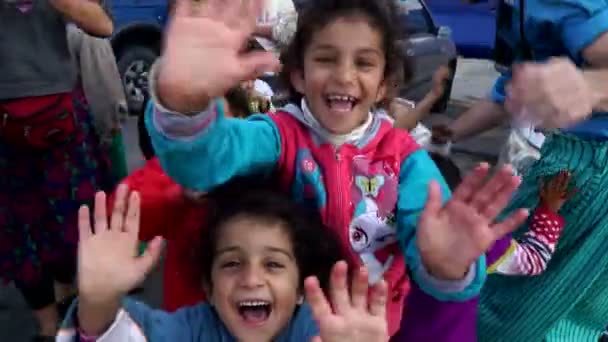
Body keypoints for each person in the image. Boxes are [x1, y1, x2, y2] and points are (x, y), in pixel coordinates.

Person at [144, 0, 530, 337]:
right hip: (281, 323)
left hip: (370, 328)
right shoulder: (278, 135)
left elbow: (435, 247)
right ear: (298, 74)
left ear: (383, 85)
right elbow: (204, 164)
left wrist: (446, 267)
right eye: (326, 59)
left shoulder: (406, 160)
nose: (344, 75)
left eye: (363, 63)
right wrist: (184, 105)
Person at [432, 0, 608, 340]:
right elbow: (509, 94)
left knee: (513, 309)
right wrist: (448, 135)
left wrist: (591, 88)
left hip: (577, 173)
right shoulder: (519, 10)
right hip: (557, 165)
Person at [58, 183, 391, 341]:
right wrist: (98, 303)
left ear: (302, 289)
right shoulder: (190, 330)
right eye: (232, 263)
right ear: (208, 288)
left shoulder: (317, 330)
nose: (251, 279)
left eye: (273, 264)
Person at [0, 1, 114, 340]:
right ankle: (48, 328)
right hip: (5, 127)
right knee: (18, 235)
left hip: (61, 118)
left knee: (75, 223)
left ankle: (68, 299)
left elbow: (102, 26)